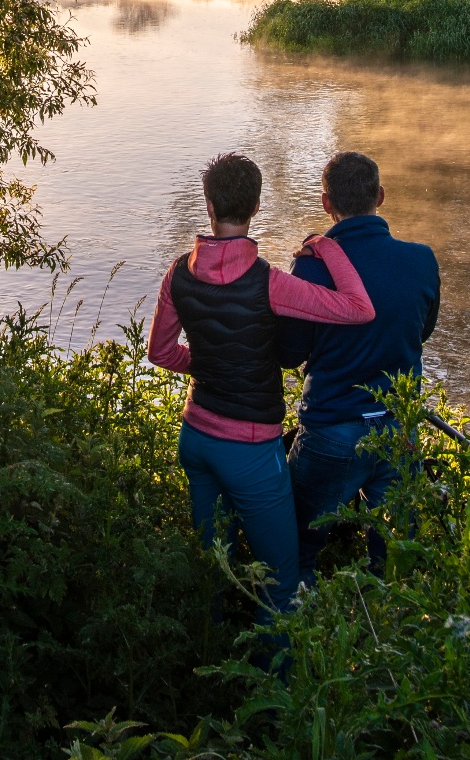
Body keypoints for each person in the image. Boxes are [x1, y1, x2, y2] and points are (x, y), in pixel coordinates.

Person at [147, 151, 377, 613]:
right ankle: (276, 679)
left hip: (195, 438)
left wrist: (213, 363)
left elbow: (162, 353)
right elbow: (359, 308)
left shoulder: (177, 273)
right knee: (281, 583)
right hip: (250, 451)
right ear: (255, 208)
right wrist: (328, 246)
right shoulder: (269, 282)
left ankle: (215, 656)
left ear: (209, 206)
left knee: (215, 566)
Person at [279, 151, 441, 574]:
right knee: (395, 559)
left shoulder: (311, 267)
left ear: (326, 203)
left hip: (332, 429)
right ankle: (387, 627)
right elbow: (421, 332)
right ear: (380, 196)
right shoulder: (422, 260)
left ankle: (303, 632)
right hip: (398, 429)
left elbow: (290, 353)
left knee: (297, 545)